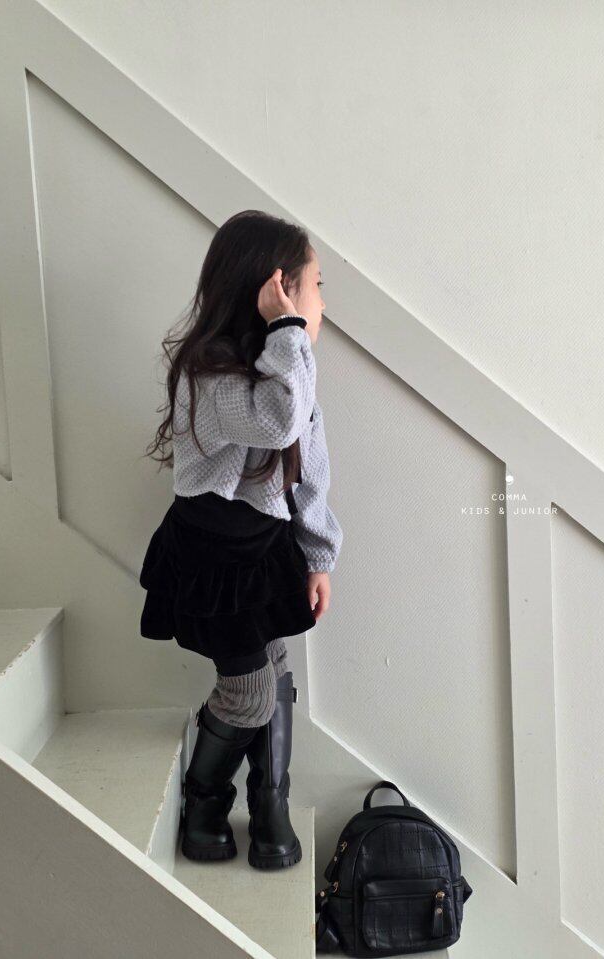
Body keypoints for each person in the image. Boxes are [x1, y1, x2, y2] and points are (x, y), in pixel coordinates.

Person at [138, 210, 343, 869]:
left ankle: (270, 806)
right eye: (314, 285)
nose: (322, 302)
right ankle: (204, 799)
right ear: (274, 292)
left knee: (274, 670)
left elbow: (308, 472)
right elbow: (279, 424)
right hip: (212, 555)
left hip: (261, 550)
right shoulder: (211, 375)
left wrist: (318, 556)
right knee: (249, 690)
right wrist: (289, 332)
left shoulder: (290, 373)